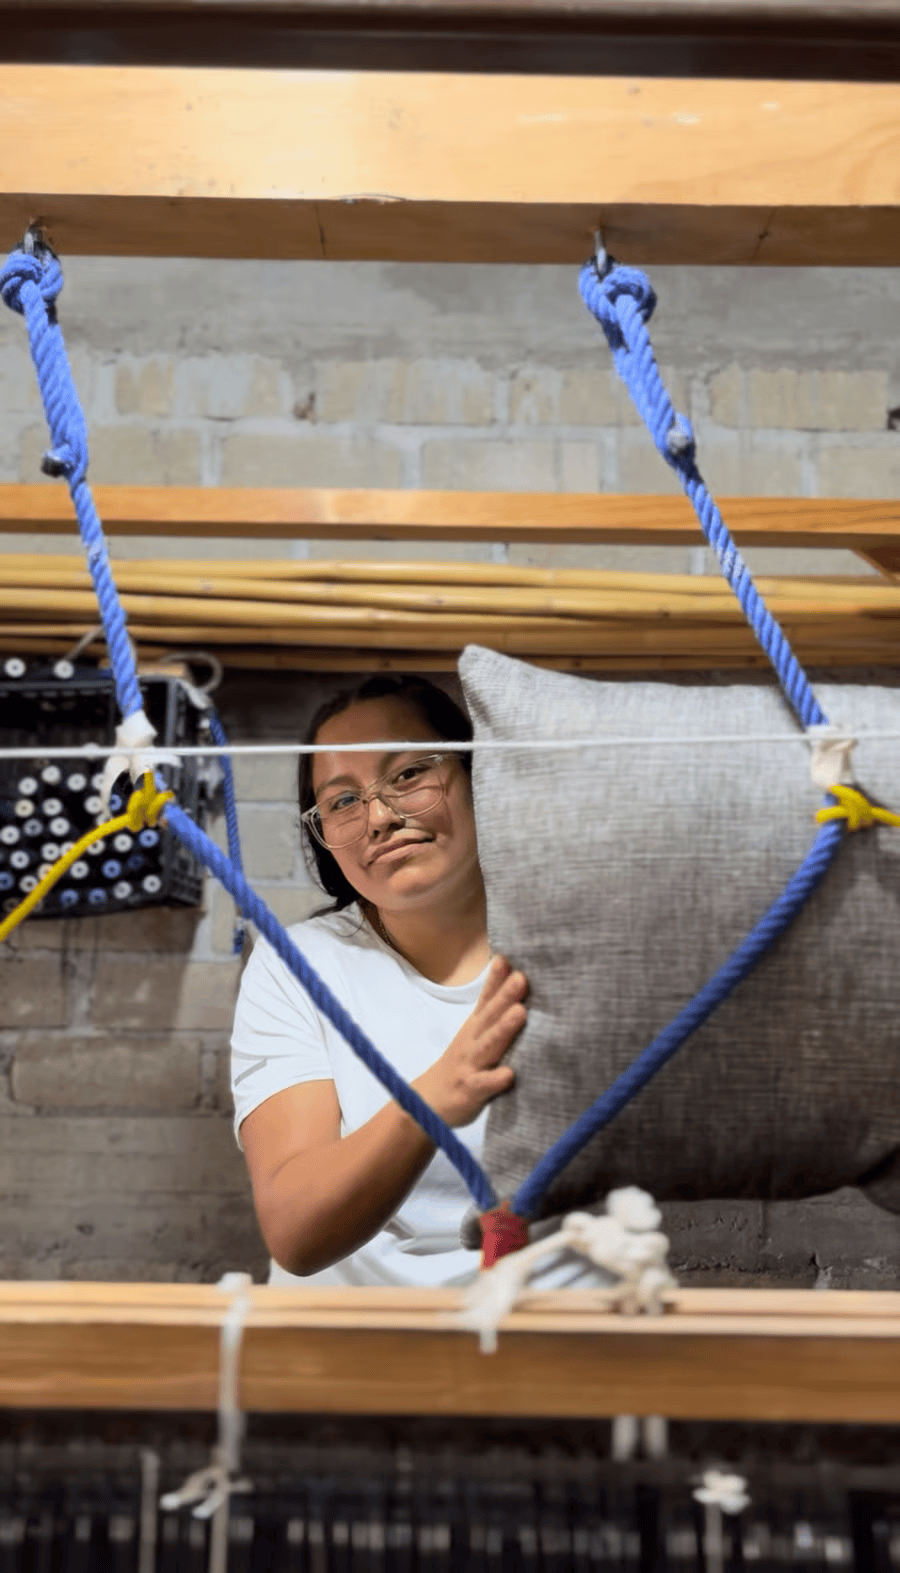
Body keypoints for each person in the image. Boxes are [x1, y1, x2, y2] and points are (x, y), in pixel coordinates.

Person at [230, 673, 529, 1288]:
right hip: (349, 1333)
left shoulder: (572, 944)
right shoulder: (298, 963)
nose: (380, 817)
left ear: (477, 776)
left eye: (408, 774)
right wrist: (433, 1099)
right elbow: (296, 1229)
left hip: (535, 1319)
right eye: (342, 801)